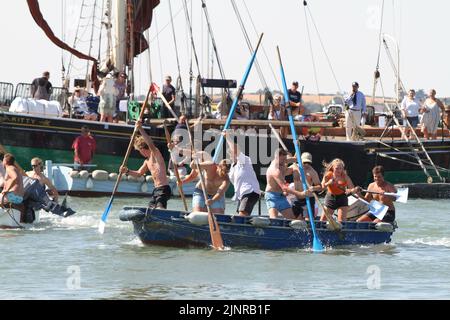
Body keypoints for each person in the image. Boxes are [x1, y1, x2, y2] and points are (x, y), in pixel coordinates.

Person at [120, 121, 172, 209]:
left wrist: (140, 128)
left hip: (164, 189)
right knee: (150, 208)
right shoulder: (146, 161)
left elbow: (150, 143)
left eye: (140, 151)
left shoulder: (155, 153)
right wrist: (127, 171)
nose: (140, 153)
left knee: (160, 208)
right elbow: (139, 173)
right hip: (156, 190)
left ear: (142, 149)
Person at [224, 130, 260, 216]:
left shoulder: (245, 160)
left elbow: (235, 150)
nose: (231, 155)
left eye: (232, 153)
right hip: (242, 194)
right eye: (230, 154)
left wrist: (227, 137)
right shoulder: (233, 167)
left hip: (250, 191)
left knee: (242, 214)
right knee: (240, 214)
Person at [287, 152, 322, 220]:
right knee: (294, 219)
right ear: (300, 160)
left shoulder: (312, 172)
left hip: (308, 198)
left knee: (308, 220)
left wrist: (314, 188)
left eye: (308, 163)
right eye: (305, 162)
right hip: (297, 198)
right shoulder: (294, 167)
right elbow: (283, 172)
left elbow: (320, 187)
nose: (306, 164)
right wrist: (289, 160)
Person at [265, 148, 296, 219]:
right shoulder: (274, 169)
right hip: (272, 196)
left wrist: (297, 147)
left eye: (285, 159)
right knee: (273, 219)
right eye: (283, 160)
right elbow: (284, 187)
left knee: (292, 219)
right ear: (277, 157)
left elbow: (294, 159)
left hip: (282, 196)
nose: (285, 161)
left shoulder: (283, 161)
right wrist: (300, 194)